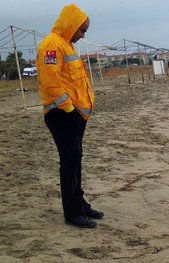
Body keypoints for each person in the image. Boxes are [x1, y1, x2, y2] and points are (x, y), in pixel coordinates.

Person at [36, 3, 103, 228]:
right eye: (81, 30)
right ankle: (72, 212)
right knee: (69, 161)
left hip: (74, 115)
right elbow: (51, 82)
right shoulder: (52, 45)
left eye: (85, 31)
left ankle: (79, 202)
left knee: (76, 159)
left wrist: (77, 112)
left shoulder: (67, 45)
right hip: (62, 114)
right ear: (71, 25)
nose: (83, 35)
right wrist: (68, 109)